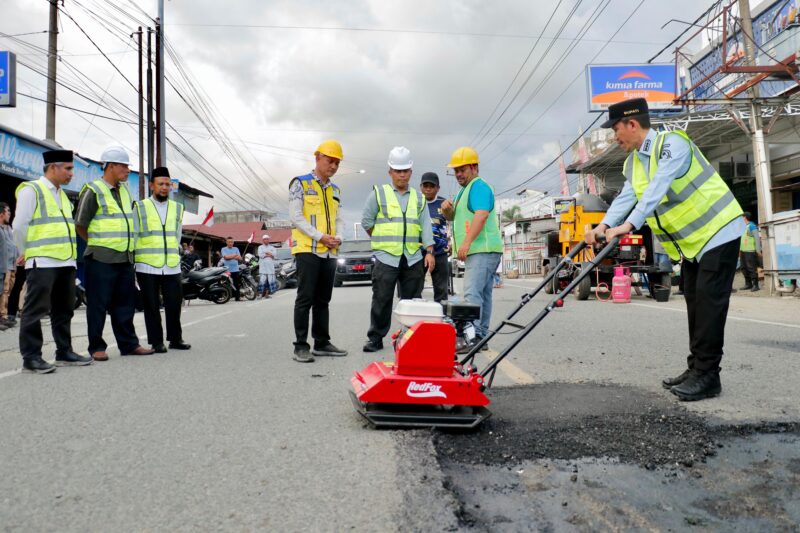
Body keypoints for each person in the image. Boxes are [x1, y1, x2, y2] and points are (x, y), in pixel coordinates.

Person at [583, 98, 744, 402]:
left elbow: (658, 188)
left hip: (721, 229)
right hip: (696, 242)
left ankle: (708, 376)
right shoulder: (633, 164)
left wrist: (628, 226)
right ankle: (697, 368)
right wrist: (603, 226)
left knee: (709, 305)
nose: (614, 137)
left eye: (615, 129)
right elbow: (626, 198)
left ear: (632, 124)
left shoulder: (671, 145)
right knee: (695, 302)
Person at [13, 150, 92, 373]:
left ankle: (64, 351)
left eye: (72, 169)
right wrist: (24, 251)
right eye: (68, 168)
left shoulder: (63, 195)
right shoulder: (32, 190)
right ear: (52, 168)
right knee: (35, 310)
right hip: (42, 261)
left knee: (64, 309)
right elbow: (19, 225)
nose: (71, 173)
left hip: (66, 262)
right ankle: (31, 357)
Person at [75, 145, 154, 361]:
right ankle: (96, 346)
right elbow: (80, 223)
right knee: (98, 304)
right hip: (101, 258)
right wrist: (96, 244)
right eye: (124, 166)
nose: (128, 171)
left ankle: (128, 344)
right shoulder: (93, 190)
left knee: (125, 304)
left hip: (125, 257)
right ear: (111, 166)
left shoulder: (124, 191)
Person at [362, 147, 435, 352]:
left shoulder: (419, 198)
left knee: (413, 300)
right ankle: (375, 338)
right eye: (397, 170)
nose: (402, 174)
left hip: (412, 256)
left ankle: (412, 339)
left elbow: (426, 225)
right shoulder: (378, 194)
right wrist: (381, 241)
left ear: (411, 171)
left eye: (405, 170)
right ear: (390, 172)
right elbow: (367, 221)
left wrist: (429, 252)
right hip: (387, 257)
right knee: (382, 298)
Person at [289, 140, 348, 362]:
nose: (333, 166)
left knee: (323, 300)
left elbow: (339, 219)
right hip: (307, 249)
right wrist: (319, 236)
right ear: (317, 158)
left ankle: (321, 342)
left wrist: (339, 237)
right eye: (329, 161)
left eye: (336, 163)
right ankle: (301, 346)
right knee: (305, 298)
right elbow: (296, 217)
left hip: (330, 251)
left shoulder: (335, 190)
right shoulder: (300, 184)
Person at [441, 146, 503, 350]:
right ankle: (479, 336)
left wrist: (466, 243)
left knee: (472, 294)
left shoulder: (478, 187)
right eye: (456, 170)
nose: (458, 174)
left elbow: (481, 215)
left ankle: (473, 336)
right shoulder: (463, 192)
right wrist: (447, 211)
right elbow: (454, 218)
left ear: (474, 168)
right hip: (482, 251)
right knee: (483, 294)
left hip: (482, 250)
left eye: (462, 169)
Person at [133, 166, 191, 353]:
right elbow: (134, 235)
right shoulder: (140, 206)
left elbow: (177, 235)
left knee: (174, 304)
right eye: (160, 184)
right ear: (152, 186)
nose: (164, 187)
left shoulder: (177, 208)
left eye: (167, 184)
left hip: (171, 265)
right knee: (151, 306)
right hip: (147, 264)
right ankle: (156, 342)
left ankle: (175, 339)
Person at [420, 172, 450, 303]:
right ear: (421, 187)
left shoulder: (444, 204)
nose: (428, 188)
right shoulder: (415, 203)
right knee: (414, 290)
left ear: (438, 188)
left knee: (441, 292)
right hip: (419, 253)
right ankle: (415, 322)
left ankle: (442, 320)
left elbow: (453, 219)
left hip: (440, 253)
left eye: (431, 186)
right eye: (425, 185)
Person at [739, 211, 762, 291]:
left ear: (744, 217)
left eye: (741, 217)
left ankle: (756, 285)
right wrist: (739, 250)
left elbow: (757, 238)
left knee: (751, 268)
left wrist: (758, 250)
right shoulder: (743, 227)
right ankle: (748, 284)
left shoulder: (752, 226)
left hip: (750, 251)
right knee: (743, 268)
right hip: (743, 251)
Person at [0, 202, 14, 330]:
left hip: (9, 265)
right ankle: (2, 317)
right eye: (7, 212)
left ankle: (3, 316)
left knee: (6, 291)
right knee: (3, 291)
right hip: (3, 265)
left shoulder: (8, 229)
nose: (9, 214)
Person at [220, 237, 242, 301]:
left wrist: (231, 256)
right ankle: (226, 297)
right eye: (229, 242)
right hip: (227, 270)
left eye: (232, 242)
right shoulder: (223, 249)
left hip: (235, 269)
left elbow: (240, 258)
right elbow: (226, 257)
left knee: (237, 284)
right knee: (226, 284)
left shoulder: (236, 248)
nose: (230, 243)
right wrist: (235, 255)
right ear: (226, 242)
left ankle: (237, 298)